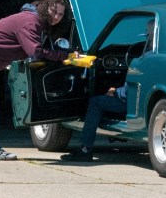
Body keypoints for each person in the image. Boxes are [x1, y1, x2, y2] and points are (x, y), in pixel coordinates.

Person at [0, 0, 71, 161]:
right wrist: (63, 56)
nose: (56, 16)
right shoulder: (31, 21)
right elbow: (34, 51)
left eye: (61, 14)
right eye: (54, 11)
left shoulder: (36, 22)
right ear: (44, 7)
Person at [62, 18, 155, 162]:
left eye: (148, 34)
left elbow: (126, 94)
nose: (147, 36)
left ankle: (85, 148)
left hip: (132, 104)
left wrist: (114, 91)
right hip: (148, 104)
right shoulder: (164, 58)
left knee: (95, 102)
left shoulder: (144, 59)